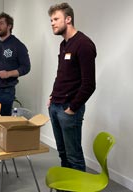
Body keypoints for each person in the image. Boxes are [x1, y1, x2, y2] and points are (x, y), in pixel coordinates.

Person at [47, 2, 96, 172]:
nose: (52, 23)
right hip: (55, 106)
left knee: (74, 156)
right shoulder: (64, 44)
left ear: (68, 19)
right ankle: (67, 186)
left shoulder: (84, 44)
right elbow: (62, 75)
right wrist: (52, 96)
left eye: (56, 19)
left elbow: (89, 84)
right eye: (51, 20)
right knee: (63, 154)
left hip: (69, 110)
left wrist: (72, 108)